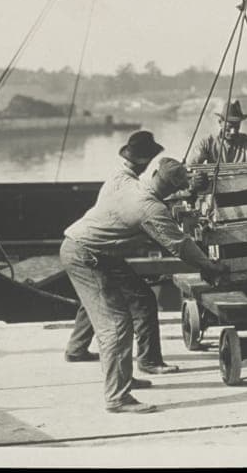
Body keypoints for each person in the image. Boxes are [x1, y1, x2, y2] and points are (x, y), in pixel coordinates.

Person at [61, 156, 229, 414]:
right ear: (172, 188)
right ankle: (117, 397)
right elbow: (180, 246)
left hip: (91, 249)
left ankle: (129, 371)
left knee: (140, 298)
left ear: (154, 173)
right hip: (86, 256)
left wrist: (188, 189)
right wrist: (209, 266)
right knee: (116, 325)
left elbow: (155, 193)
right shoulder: (151, 210)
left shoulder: (128, 183)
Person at [64, 131, 179, 375]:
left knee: (96, 295)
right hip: (90, 251)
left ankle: (76, 348)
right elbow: (146, 211)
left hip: (76, 245)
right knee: (144, 300)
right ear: (146, 163)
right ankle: (149, 361)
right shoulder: (133, 188)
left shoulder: (117, 176)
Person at [188, 99, 247, 166]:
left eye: (237, 127)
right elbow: (192, 165)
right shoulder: (208, 142)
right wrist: (197, 178)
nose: (233, 131)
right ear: (220, 123)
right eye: (229, 127)